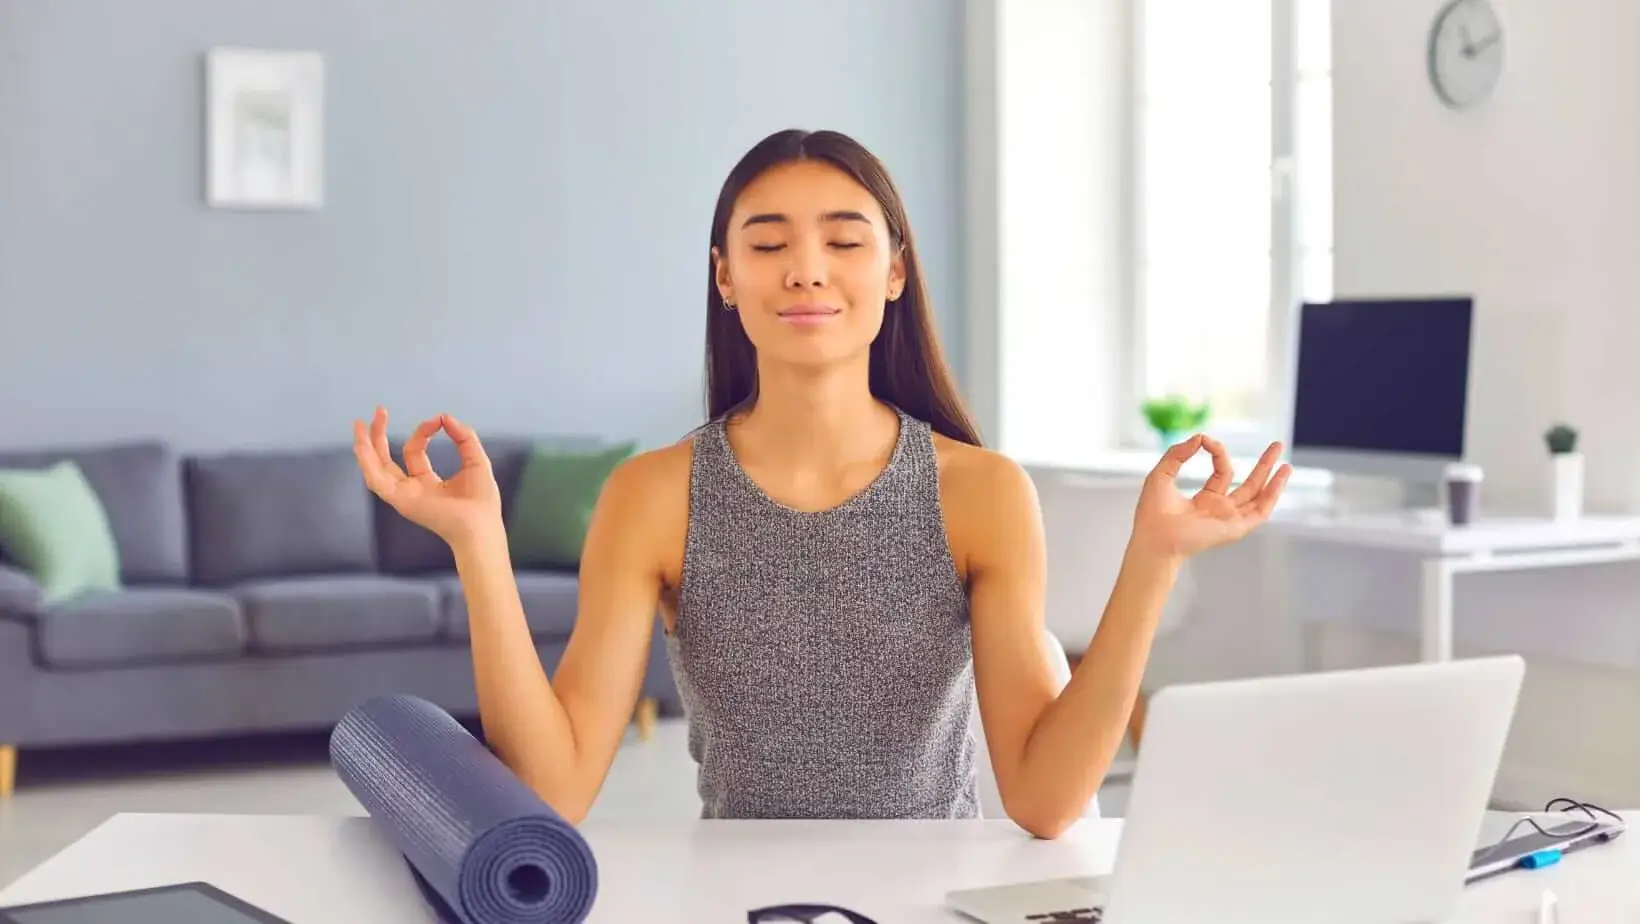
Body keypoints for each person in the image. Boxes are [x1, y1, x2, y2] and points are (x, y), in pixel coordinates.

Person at [352, 128, 1290, 840]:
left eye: (845, 241)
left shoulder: (984, 493)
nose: (806, 269)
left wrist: (1154, 557)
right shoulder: (654, 495)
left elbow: (1046, 804)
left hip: (934, 890)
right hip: (741, 892)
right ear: (725, 277)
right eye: (767, 245)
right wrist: (480, 544)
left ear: (893, 272)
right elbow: (553, 790)